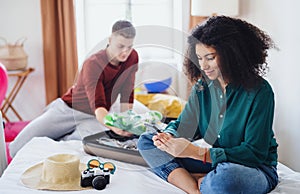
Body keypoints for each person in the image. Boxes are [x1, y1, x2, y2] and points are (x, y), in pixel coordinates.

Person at [137, 16, 278, 194]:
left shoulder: (260, 91)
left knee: (227, 178)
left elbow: (254, 153)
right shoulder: (202, 88)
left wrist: (198, 152)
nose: (203, 66)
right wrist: (168, 136)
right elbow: (184, 126)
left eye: (210, 58)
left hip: (252, 168)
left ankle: (200, 179)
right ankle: (196, 188)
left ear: (232, 54)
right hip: (216, 162)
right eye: (199, 58)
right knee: (147, 142)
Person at [10, 20, 138, 157]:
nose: (125, 52)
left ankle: (60, 139)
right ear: (110, 40)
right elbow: (98, 103)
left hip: (95, 118)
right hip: (68, 109)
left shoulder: (132, 57)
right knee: (16, 148)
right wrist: (114, 126)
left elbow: (127, 92)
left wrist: (126, 122)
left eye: (129, 47)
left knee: (83, 145)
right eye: (120, 46)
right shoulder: (93, 63)